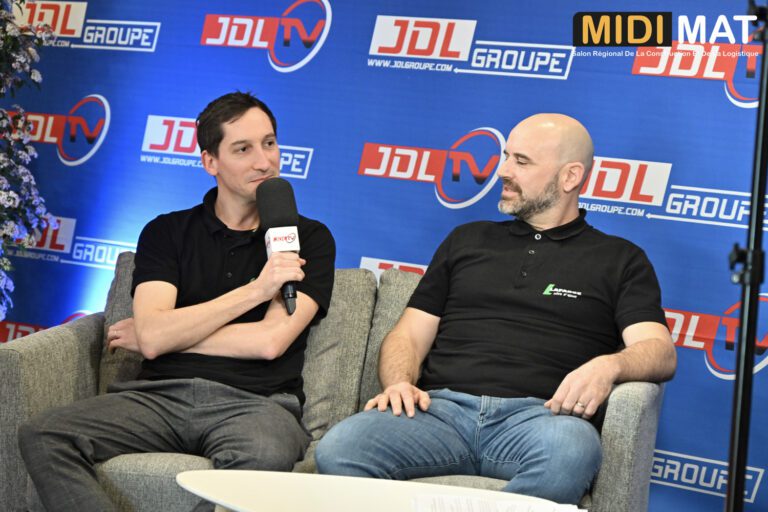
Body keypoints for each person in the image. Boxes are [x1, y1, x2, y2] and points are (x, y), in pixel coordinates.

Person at [315, 113, 675, 505]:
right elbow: (408, 336)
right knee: (341, 447)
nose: (502, 171)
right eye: (506, 156)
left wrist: (609, 366)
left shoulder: (620, 259)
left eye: (521, 161)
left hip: (541, 420)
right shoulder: (467, 240)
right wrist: (399, 382)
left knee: (572, 451)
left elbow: (660, 351)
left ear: (570, 177)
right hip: (440, 413)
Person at [18, 92, 336, 512]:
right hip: (158, 397)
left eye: (269, 143)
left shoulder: (309, 238)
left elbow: (269, 342)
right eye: (243, 149)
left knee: (264, 453)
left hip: (256, 405)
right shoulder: (166, 232)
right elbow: (154, 338)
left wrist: (166, 334)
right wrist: (255, 291)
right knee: (44, 433)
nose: (265, 162)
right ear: (210, 162)